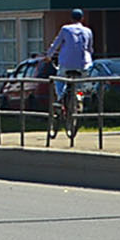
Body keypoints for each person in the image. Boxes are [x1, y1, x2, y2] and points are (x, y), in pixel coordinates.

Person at [43, 9, 94, 142]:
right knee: (80, 84)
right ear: (82, 19)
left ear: (71, 18)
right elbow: (89, 48)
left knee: (58, 80)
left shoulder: (65, 29)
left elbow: (56, 44)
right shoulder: (88, 31)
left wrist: (48, 56)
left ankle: (60, 98)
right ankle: (80, 96)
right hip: (84, 64)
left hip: (66, 64)